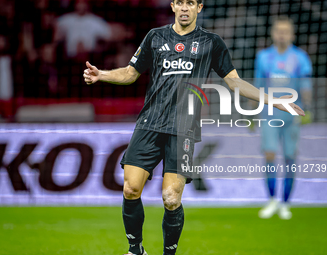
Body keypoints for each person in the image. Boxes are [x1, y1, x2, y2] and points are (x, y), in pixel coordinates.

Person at [83, 1, 305, 254]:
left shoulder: (211, 42)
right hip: (149, 124)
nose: (185, 8)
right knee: (131, 188)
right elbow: (130, 73)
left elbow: (236, 83)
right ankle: (136, 250)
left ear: (199, 7)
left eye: (190, 3)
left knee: (171, 198)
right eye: (180, 2)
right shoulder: (155, 37)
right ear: (173, 6)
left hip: (183, 129)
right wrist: (102, 74)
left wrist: (274, 101)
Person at [255, 16, 312, 220]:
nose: (282, 34)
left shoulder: (300, 57)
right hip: (269, 114)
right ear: (272, 33)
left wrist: (308, 108)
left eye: (285, 31)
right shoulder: (263, 57)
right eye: (278, 30)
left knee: (290, 157)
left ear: (292, 34)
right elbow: (258, 86)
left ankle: (286, 202)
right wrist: (252, 112)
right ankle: (272, 200)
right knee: (270, 155)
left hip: (292, 115)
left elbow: (306, 85)